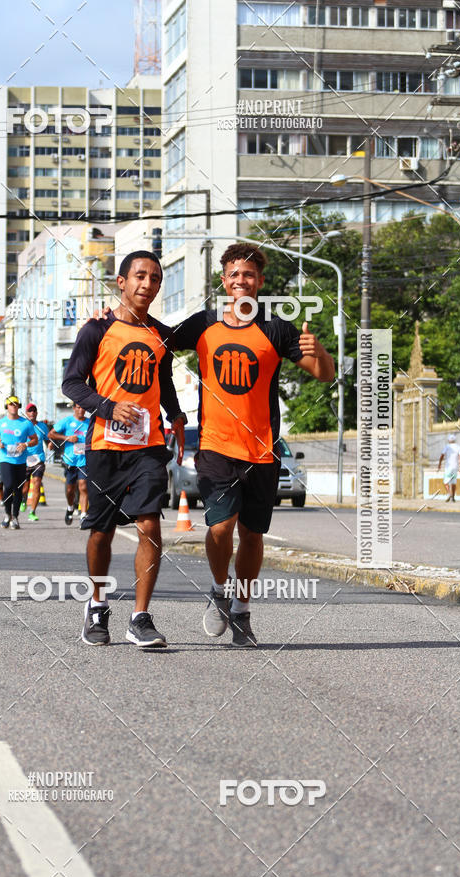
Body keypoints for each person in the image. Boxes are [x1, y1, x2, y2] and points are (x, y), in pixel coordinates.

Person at [173, 243, 335, 647]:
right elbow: (157, 343)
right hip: (214, 445)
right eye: (234, 274)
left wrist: (322, 353)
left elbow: (324, 375)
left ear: (260, 282)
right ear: (224, 281)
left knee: (252, 534)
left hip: (262, 450)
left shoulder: (277, 328)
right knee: (220, 526)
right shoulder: (203, 324)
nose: (241, 281)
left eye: (249, 275)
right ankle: (218, 589)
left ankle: (242, 610)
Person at [62, 250, 186, 649]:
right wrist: (109, 406)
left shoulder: (161, 335)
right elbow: (72, 384)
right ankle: (97, 606)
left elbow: (163, 383)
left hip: (148, 445)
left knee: (150, 524)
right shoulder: (96, 330)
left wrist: (178, 417)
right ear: (121, 281)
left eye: (154, 279)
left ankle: (140, 616)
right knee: (102, 530)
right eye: (139, 276)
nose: (147, 285)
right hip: (104, 444)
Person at [0, 396, 37, 530]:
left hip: (20, 460)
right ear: (7, 407)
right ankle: (7, 514)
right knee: (9, 485)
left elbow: (35, 439)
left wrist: (26, 444)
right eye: (11, 404)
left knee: (18, 489)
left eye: (16, 404)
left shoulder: (26, 423)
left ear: (19, 406)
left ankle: (15, 517)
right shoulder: (0, 423)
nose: (13, 406)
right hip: (5, 459)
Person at [48, 403, 89, 525]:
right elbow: (51, 434)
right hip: (70, 460)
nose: (81, 409)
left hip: (84, 461)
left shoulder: (90, 422)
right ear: (74, 408)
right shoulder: (67, 421)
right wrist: (67, 438)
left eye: (83, 407)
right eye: (78, 407)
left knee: (83, 486)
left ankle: (83, 515)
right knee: (70, 489)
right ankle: (70, 507)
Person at [21, 403, 49, 522]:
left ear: (37, 413)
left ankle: (32, 512)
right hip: (24, 460)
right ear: (26, 413)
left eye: (34, 411)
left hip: (38, 459)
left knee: (37, 482)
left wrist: (51, 445)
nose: (32, 413)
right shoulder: (22, 425)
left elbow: (48, 440)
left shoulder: (42, 426)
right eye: (29, 411)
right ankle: (23, 500)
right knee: (24, 487)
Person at [438, 433, 460, 502]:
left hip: (448, 467)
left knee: (446, 482)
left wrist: (439, 464)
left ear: (449, 440)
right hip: (455, 467)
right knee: (453, 482)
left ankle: (449, 493)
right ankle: (453, 496)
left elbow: (442, 456)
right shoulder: (458, 447)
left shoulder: (447, 446)